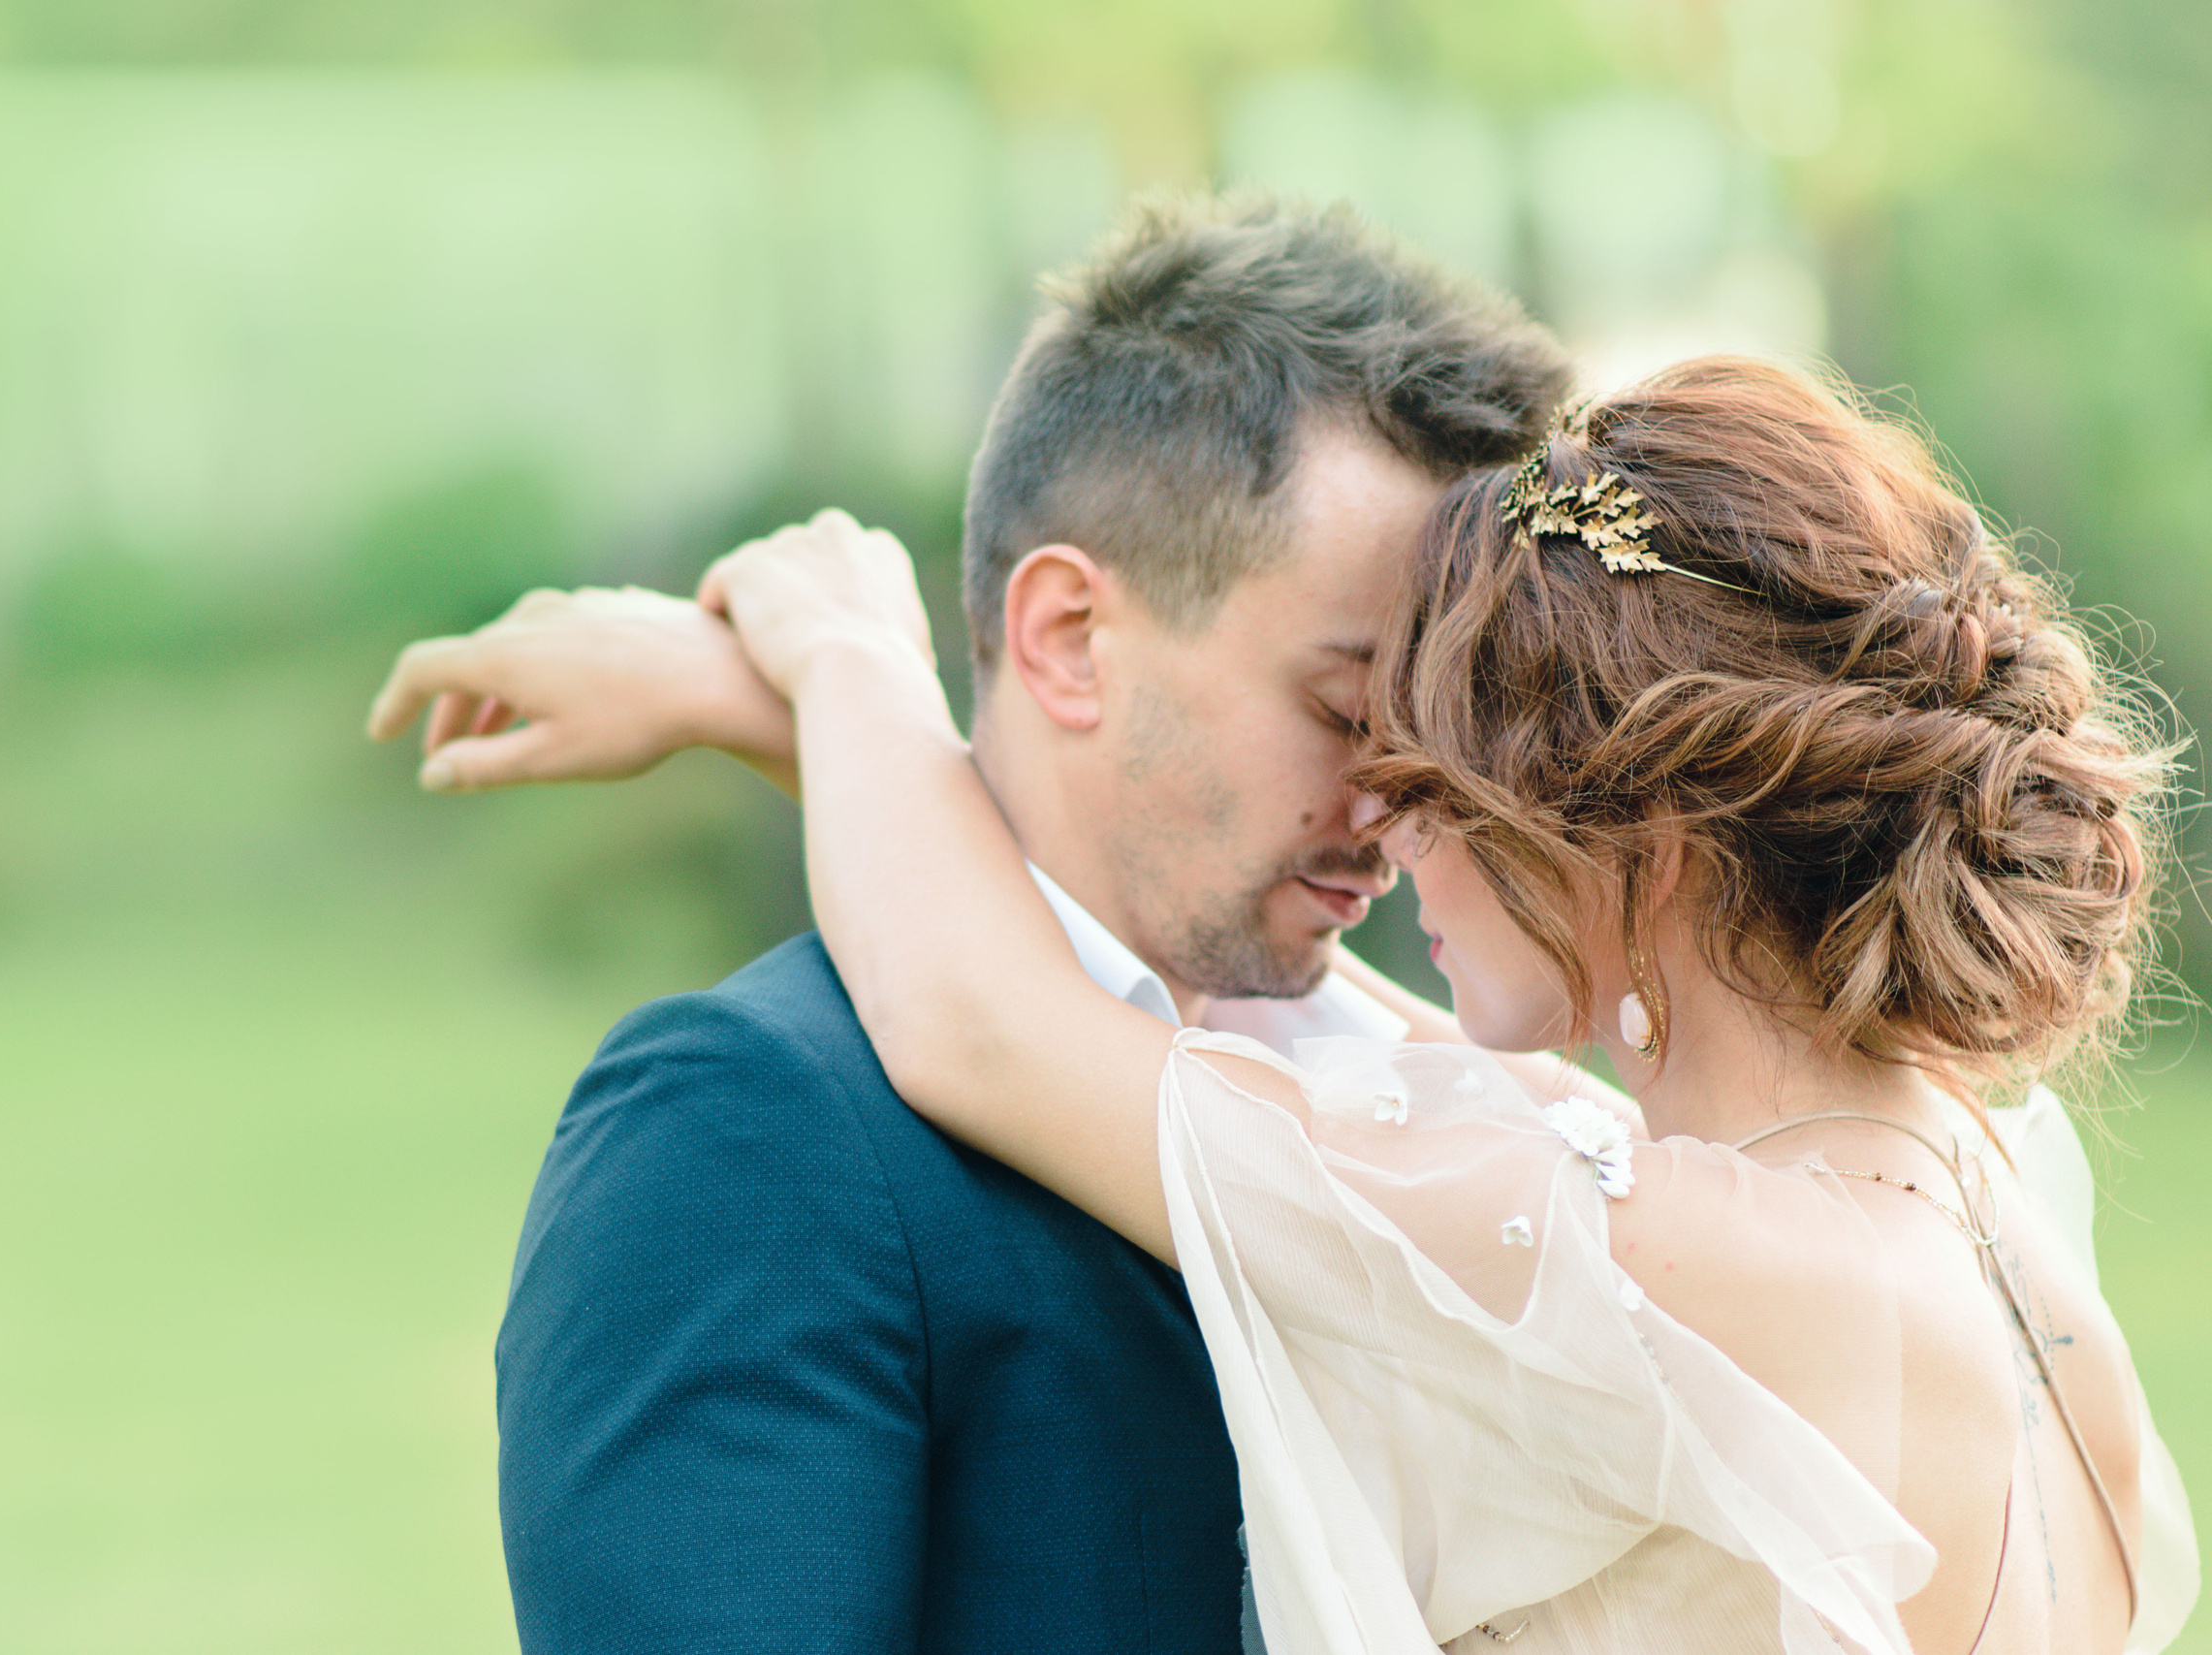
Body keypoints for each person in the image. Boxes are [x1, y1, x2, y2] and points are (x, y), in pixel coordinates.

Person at [469, 359, 2197, 1650]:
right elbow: (1353, 1070)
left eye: (1426, 767)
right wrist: (878, 749)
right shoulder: (1981, 1206)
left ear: (1639, 846)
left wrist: (840, 643)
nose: (1386, 824)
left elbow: (994, 1030)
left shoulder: (1648, 1244)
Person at [369, 197, 1589, 1654]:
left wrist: (828, 698)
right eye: (1344, 712)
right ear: (1069, 637)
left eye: (1444, 742)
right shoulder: (749, 1130)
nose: (1406, 810)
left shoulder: (1449, 1112)